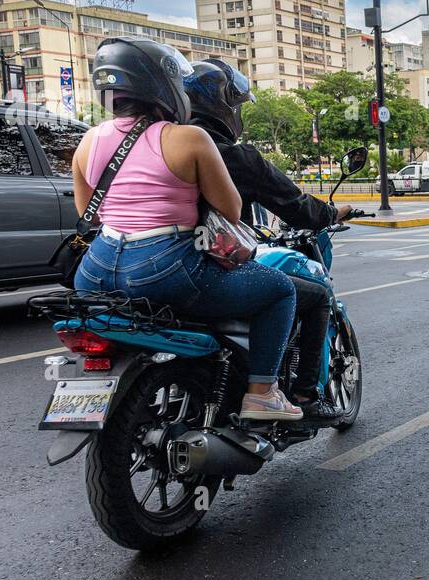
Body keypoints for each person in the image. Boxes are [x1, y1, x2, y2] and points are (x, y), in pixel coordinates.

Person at [71, 36, 301, 422]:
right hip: (163, 269)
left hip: (94, 270)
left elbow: (90, 214)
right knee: (280, 290)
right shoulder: (189, 138)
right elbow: (231, 209)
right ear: (163, 84)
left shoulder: (89, 140)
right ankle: (262, 392)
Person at [183, 58, 355, 422]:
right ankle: (302, 394)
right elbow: (295, 205)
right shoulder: (229, 155)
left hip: (126, 266)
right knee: (311, 294)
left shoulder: (155, 146)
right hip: (200, 268)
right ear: (225, 106)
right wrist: (331, 213)